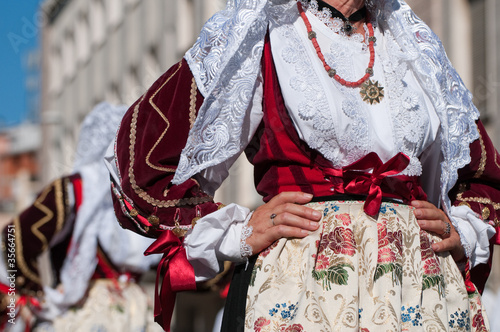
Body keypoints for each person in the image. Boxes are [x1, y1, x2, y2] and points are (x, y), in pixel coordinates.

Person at [106, 0, 500, 331]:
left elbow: (481, 170)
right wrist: (237, 231)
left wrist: (462, 230)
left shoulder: (411, 40)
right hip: (306, 278)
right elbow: (144, 160)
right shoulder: (264, 29)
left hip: (417, 279)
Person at [0, 102, 161, 331]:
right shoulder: (77, 189)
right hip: (86, 309)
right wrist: (33, 290)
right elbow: (15, 235)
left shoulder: (140, 197)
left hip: (137, 311)